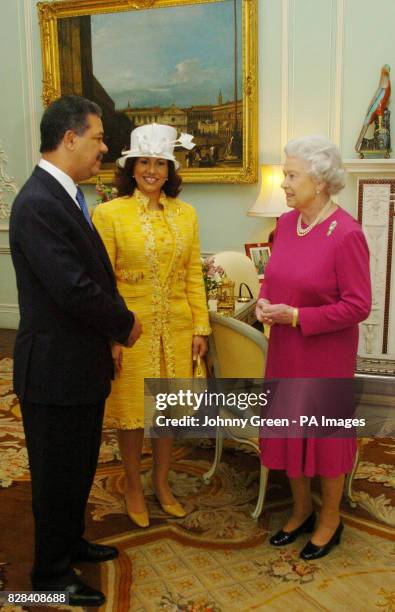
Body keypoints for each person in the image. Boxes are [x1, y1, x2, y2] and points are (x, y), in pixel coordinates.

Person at [9, 95, 142, 606]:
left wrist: (106, 335)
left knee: (79, 465)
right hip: (53, 370)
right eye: (99, 137)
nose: (104, 149)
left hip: (78, 365)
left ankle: (69, 543)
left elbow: (90, 276)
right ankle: (50, 574)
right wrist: (123, 325)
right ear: (69, 139)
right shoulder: (39, 202)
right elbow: (72, 287)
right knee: (55, 474)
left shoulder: (63, 195)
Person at [255, 135, 371, 560]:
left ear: (319, 182)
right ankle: (302, 509)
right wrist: (266, 300)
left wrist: (300, 317)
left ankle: (330, 519)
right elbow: (274, 276)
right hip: (286, 348)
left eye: (290, 175)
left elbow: (358, 305)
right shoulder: (286, 224)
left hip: (325, 355)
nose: (283, 183)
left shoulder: (347, 234)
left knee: (324, 437)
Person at [93, 123, 210, 528]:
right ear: (130, 166)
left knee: (167, 413)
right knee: (133, 414)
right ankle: (132, 485)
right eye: (144, 162)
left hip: (176, 328)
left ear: (170, 169)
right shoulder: (108, 214)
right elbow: (101, 282)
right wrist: (112, 335)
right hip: (131, 329)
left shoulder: (186, 214)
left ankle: (161, 483)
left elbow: (193, 272)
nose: (152, 170)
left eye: (160, 163)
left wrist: (200, 328)